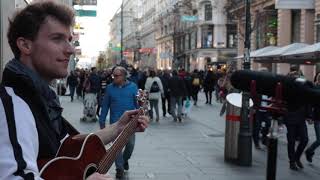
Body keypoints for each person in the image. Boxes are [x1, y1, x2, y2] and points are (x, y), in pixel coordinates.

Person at [0, 2, 148, 180]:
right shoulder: (12, 103)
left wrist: (118, 128)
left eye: (69, 40)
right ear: (25, 45)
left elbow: (69, 146)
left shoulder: (40, 98)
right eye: (57, 38)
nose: (70, 49)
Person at [99, 66, 140, 178]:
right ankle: (119, 169)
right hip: (115, 124)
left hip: (130, 123)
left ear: (124, 76)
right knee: (117, 147)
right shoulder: (109, 88)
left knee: (130, 146)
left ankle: (125, 160)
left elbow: (138, 105)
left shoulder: (133, 87)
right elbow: (105, 105)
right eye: (113, 75)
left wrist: (140, 117)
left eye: (116, 76)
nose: (114, 78)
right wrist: (102, 121)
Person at [305, 73, 320, 163]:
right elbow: (310, 103)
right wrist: (309, 116)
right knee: (319, 140)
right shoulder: (315, 88)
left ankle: (309, 151)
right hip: (318, 117)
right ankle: (309, 151)